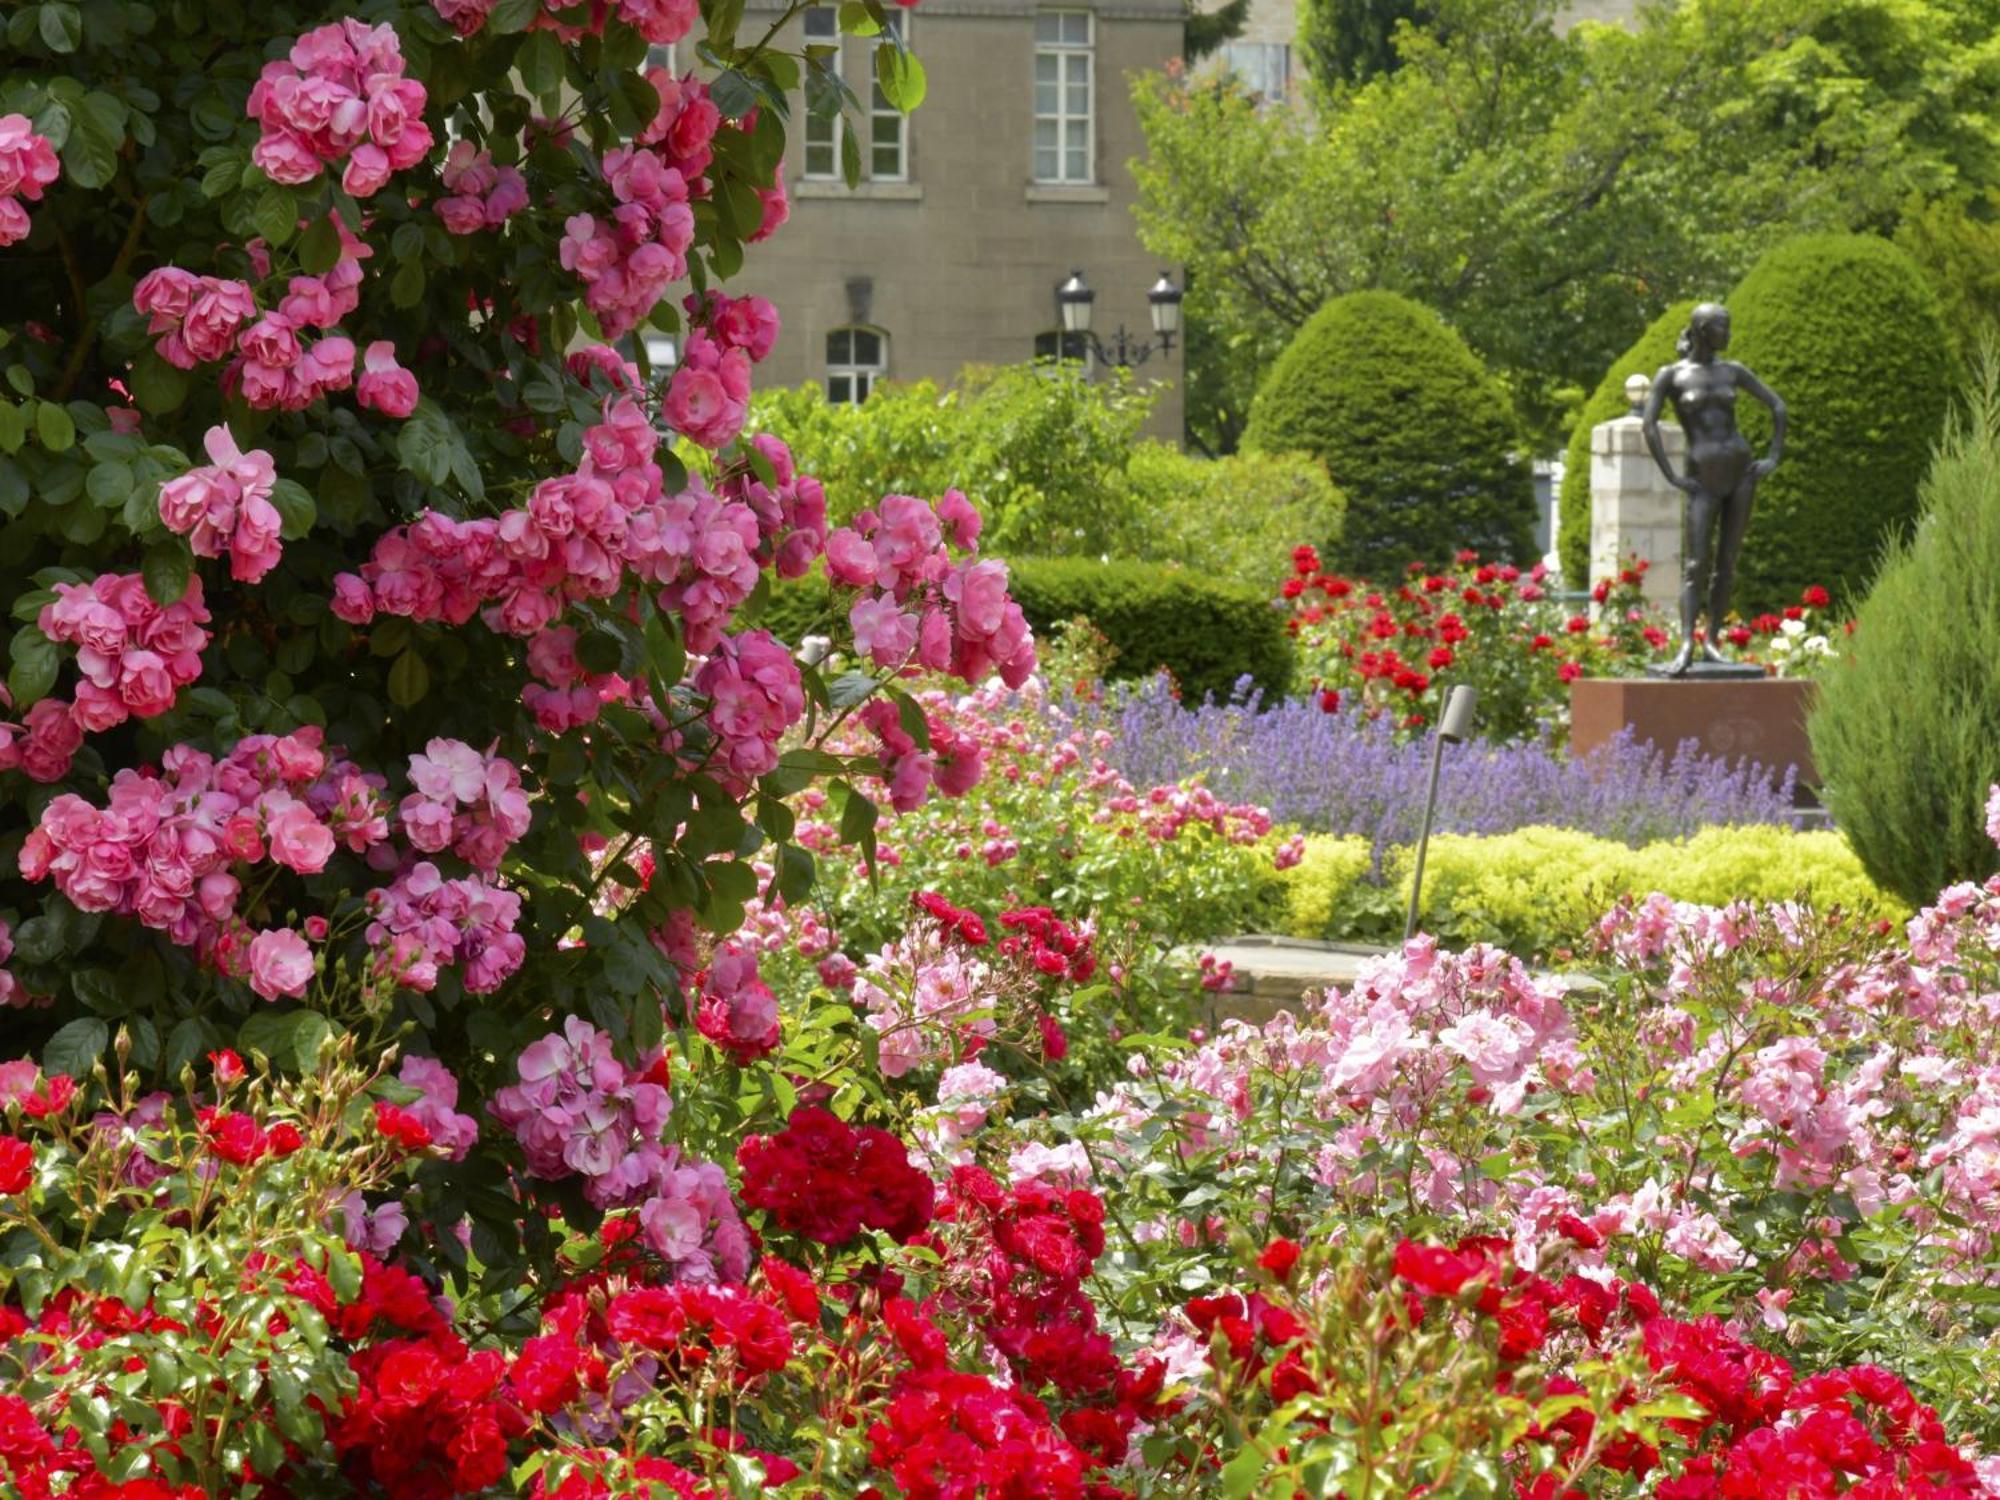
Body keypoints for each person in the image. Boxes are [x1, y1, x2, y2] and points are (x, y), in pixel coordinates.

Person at [1640, 302, 1786, 676]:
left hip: (1740, 473)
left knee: (1727, 564)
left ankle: (1712, 641)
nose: (1728, 334)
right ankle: (1688, 642)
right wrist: (1672, 475)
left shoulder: (1732, 371)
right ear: (1703, 330)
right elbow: (1649, 425)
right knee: (1695, 564)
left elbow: (1777, 407)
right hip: (1702, 479)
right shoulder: (1671, 376)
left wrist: (1772, 457)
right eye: (1722, 327)